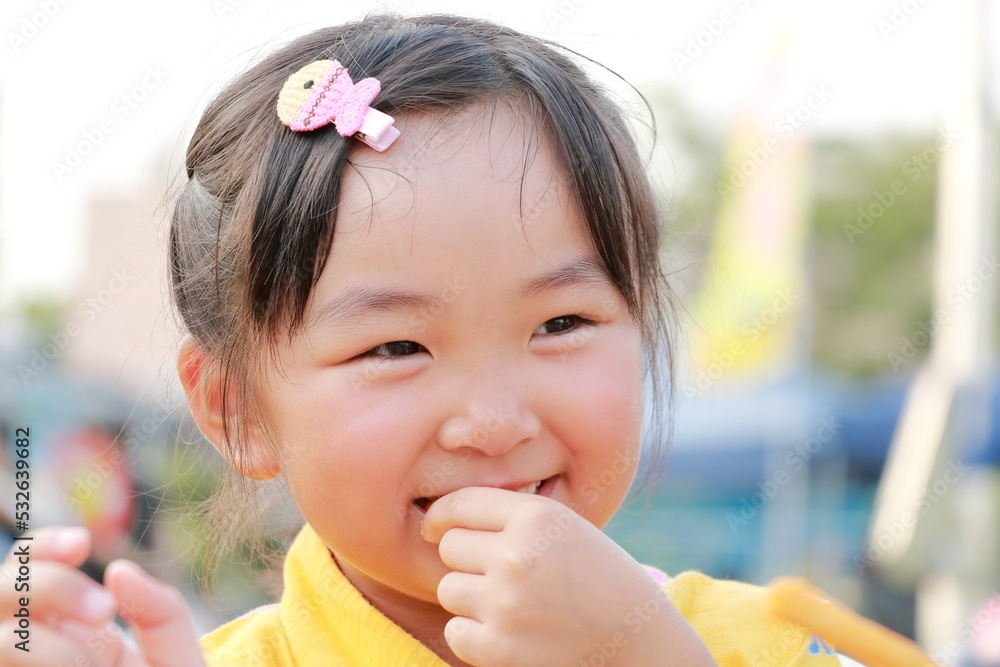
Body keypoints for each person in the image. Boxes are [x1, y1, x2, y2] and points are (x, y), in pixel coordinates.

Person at [0, 13, 841, 666]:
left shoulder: (765, 642)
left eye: (560, 323)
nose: (494, 419)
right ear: (236, 408)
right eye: (395, 347)